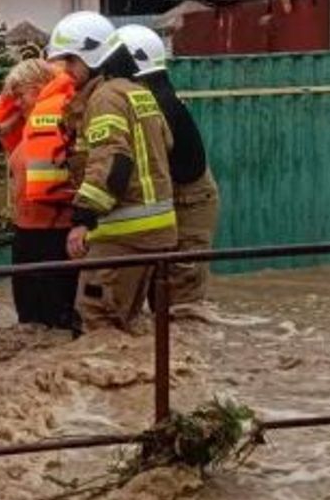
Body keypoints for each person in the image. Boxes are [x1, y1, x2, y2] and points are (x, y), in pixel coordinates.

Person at [56, 21, 177, 332]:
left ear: (92, 56)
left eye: (71, 60)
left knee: (96, 320)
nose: (66, 69)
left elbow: (113, 161)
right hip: (155, 232)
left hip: (123, 234)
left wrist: (83, 219)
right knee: (126, 325)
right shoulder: (138, 92)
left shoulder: (105, 98)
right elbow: (166, 144)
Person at [119, 26, 221, 315]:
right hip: (175, 198)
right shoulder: (153, 94)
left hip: (189, 203)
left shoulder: (154, 102)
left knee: (180, 306)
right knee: (163, 301)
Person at [0, 56, 80, 329]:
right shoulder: (29, 129)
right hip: (29, 232)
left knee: (49, 322)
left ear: (39, 88)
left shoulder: (57, 118)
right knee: (32, 324)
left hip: (52, 235)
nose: (17, 104)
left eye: (21, 96)